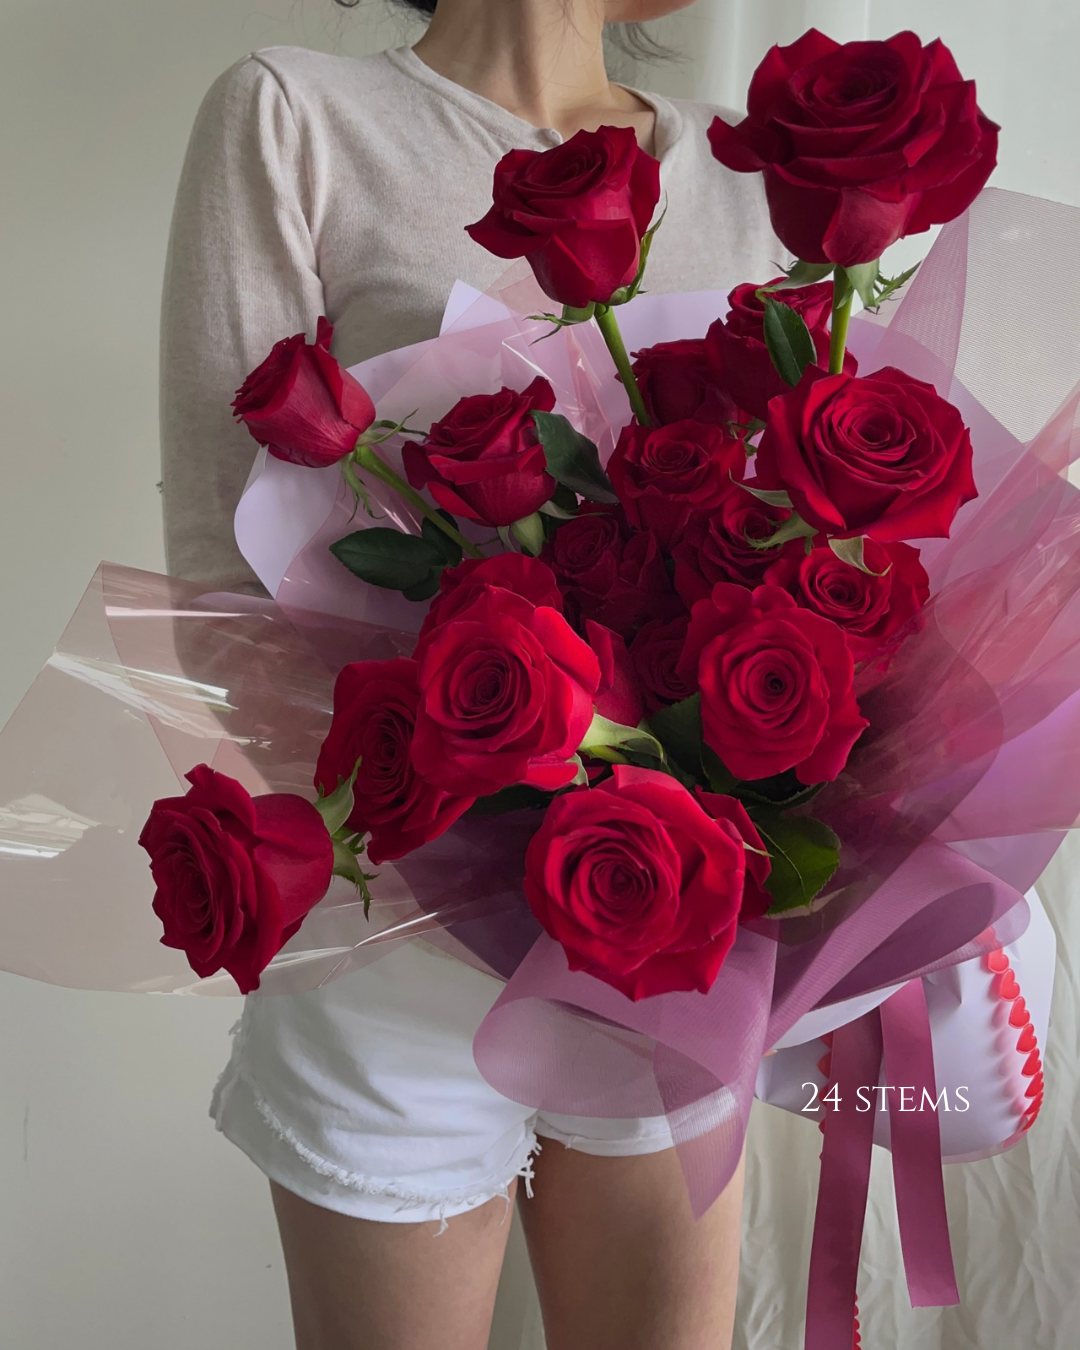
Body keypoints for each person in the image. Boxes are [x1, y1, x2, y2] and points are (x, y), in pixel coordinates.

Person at [159, 2, 780, 1346]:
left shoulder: (742, 181)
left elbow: (789, 565)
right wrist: (460, 822)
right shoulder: (296, 115)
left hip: (659, 921)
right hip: (395, 930)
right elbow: (223, 581)